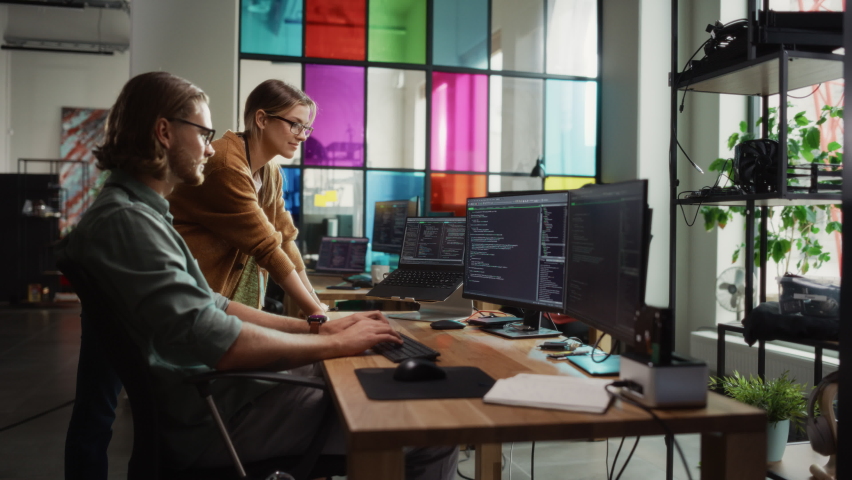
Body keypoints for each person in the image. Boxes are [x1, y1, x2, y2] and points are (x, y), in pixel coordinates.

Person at [58, 71, 457, 478]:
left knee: (362, 376)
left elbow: (223, 299)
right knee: (432, 427)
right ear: (164, 132)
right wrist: (332, 342)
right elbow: (221, 333)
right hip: (215, 415)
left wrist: (318, 328)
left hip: (215, 394)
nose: (209, 149)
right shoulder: (127, 222)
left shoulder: (143, 214)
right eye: (202, 133)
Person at [168, 79, 322, 315]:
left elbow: (285, 238)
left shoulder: (270, 172)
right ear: (262, 119)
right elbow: (266, 246)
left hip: (222, 300)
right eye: (295, 124)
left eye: (306, 128)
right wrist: (315, 315)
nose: (302, 136)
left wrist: (316, 304)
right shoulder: (226, 165)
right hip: (188, 300)